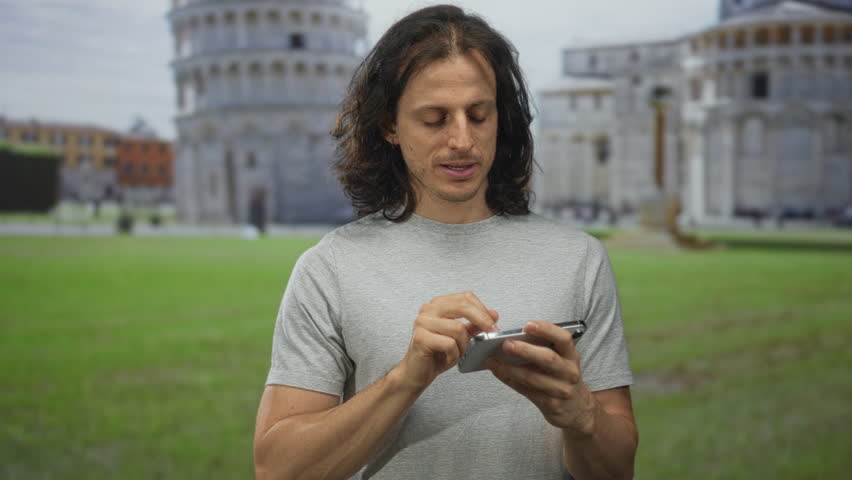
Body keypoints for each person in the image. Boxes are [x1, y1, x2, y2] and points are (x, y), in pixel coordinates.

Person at [254, 5, 638, 479]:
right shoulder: (329, 269)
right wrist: (406, 378)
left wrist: (583, 417)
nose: (462, 140)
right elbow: (277, 471)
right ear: (389, 125)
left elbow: (617, 469)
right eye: (435, 119)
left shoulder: (579, 259)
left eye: (479, 115)